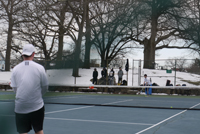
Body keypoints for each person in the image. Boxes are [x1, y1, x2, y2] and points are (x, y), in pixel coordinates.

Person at [10, 44, 49, 134]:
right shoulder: (40, 68)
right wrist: (38, 96)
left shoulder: (15, 69)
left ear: (23, 54)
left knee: (23, 132)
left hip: (20, 106)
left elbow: (15, 88)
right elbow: (45, 87)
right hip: (36, 105)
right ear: (33, 54)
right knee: (39, 130)